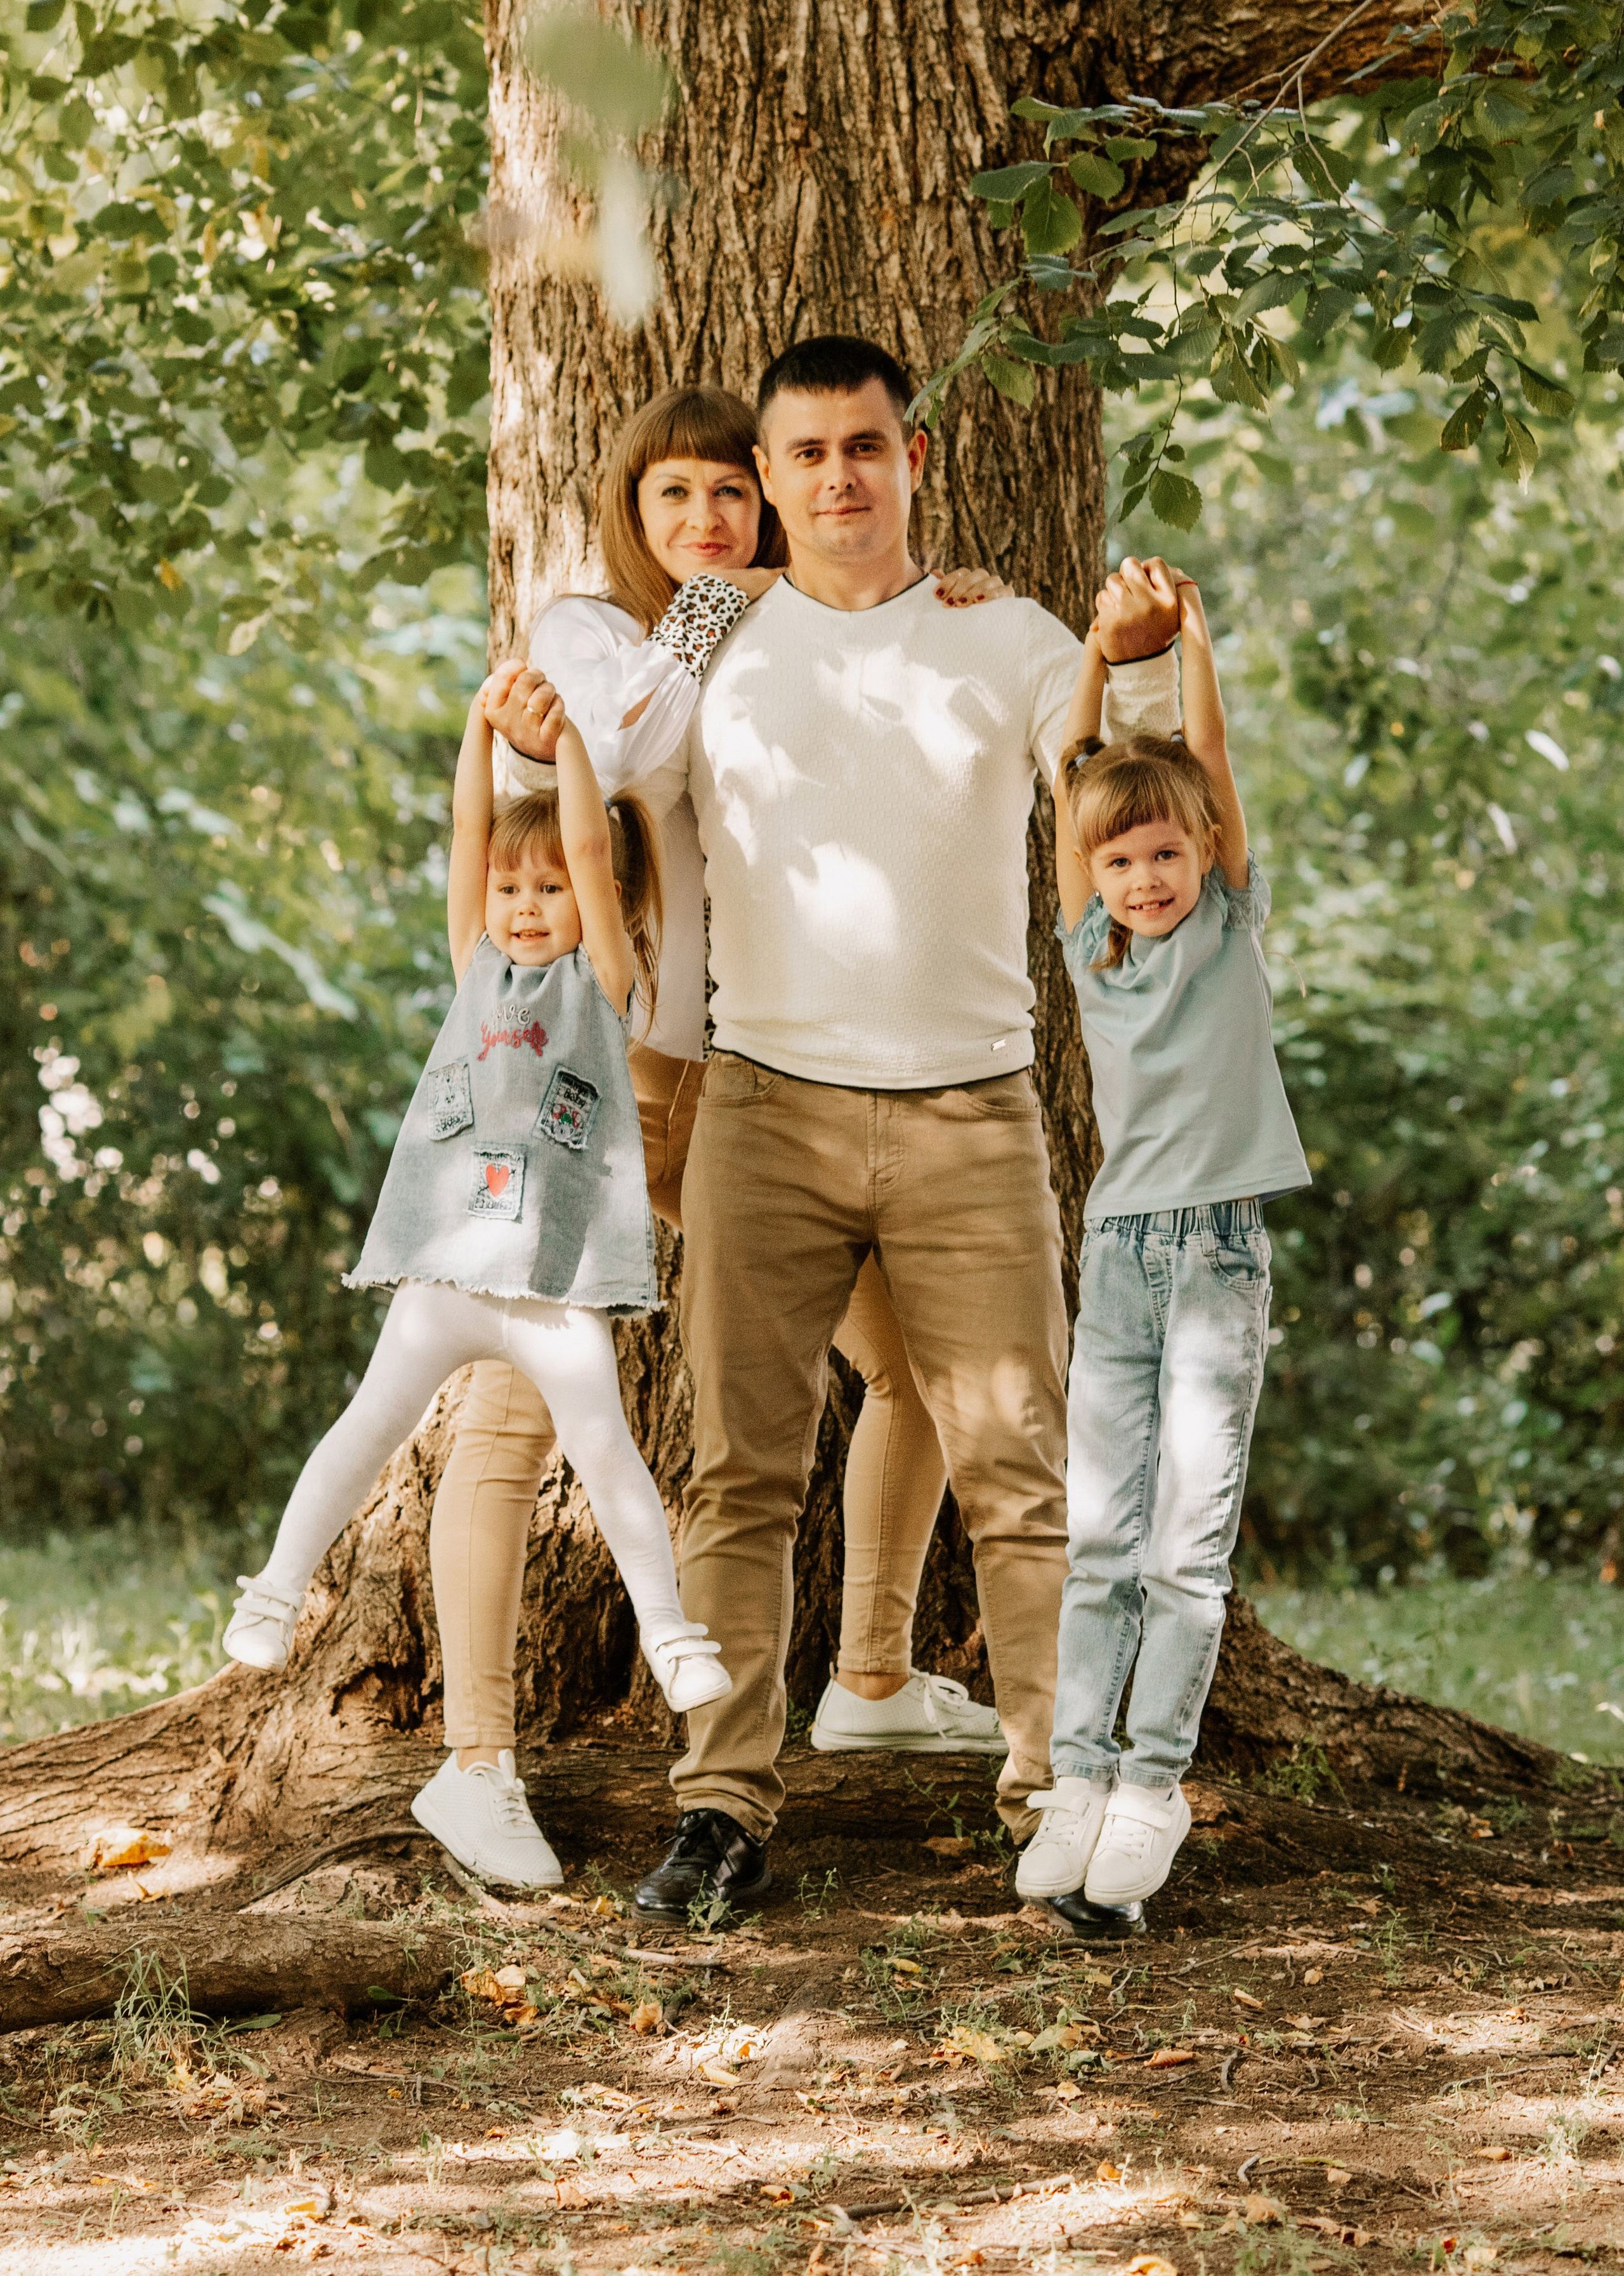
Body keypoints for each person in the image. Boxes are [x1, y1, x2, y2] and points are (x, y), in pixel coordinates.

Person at [613, 335, 1185, 1922]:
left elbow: (1117, 779)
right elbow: (606, 751)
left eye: (863, 447)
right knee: (737, 1472)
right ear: (768, 477)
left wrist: (1138, 658)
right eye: (802, 455)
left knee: (1020, 1470)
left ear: (911, 459)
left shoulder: (1001, 634)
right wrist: (702, 609)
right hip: (761, 1107)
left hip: (969, 1115)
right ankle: (719, 1809)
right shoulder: (717, 641)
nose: (836, 479)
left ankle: (1057, 1801)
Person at [424, 385, 1014, 1885]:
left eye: (726, 497)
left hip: (745, 1084)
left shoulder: (773, 629)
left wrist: (941, 602)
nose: (704, 522)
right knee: (516, 1396)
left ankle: (868, 1676)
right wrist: (708, 610)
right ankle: (474, 1763)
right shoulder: (588, 635)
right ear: (630, 511)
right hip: (598, 1068)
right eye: (672, 497)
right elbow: (623, 753)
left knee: (916, 1368)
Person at [220, 674, 733, 1888]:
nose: (524, 906)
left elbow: (592, 857)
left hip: (553, 1290)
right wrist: (478, 730)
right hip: (450, 1274)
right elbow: (467, 833)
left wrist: (570, 756)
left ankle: (670, 1634)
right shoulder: (473, 971)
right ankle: (275, 1592)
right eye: (510, 890)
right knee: (366, 1427)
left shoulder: (605, 987)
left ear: (596, 902)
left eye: (547, 888)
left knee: (606, 1451)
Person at [1013, 569, 1310, 1919]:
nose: (1143, 877)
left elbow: (1208, 755)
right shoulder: (1094, 952)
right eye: (1120, 860)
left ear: (1204, 853)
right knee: (1099, 1544)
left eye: (1165, 855)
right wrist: (1093, 649)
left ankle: (1150, 1787)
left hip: (1216, 1260)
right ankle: (1075, 1779)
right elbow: (1069, 774)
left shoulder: (1229, 926)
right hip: (1118, 1254)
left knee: (1184, 1553)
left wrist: (1189, 639)